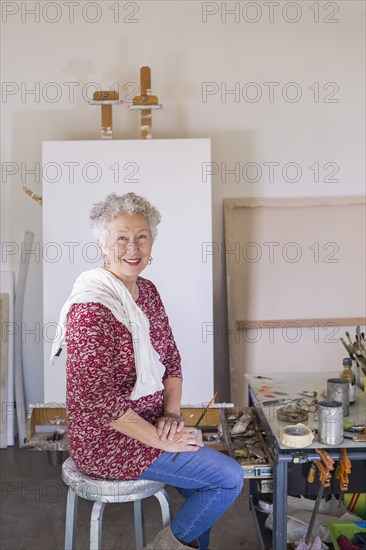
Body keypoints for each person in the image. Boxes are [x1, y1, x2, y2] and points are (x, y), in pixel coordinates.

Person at [54, 192, 244, 550]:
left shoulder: (148, 292)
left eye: (142, 236)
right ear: (102, 244)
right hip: (106, 440)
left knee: (207, 485)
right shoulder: (90, 309)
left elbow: (171, 358)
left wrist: (171, 415)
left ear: (152, 242)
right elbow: (100, 402)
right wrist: (161, 439)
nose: (132, 246)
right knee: (227, 479)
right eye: (121, 238)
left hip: (152, 422)